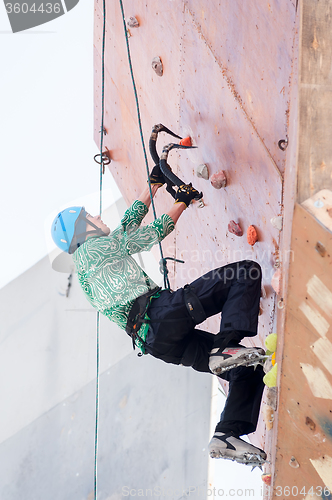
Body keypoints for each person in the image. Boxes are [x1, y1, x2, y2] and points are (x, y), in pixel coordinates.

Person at [51, 165, 267, 467]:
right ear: (83, 229)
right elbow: (151, 234)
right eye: (91, 217)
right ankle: (225, 346)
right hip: (160, 314)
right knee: (246, 272)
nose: (98, 217)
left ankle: (227, 434)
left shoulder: (90, 261)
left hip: (156, 343)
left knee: (247, 366)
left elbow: (126, 229)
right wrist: (183, 201)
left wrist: (151, 187)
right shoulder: (94, 249)